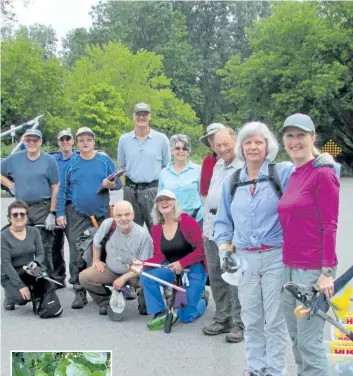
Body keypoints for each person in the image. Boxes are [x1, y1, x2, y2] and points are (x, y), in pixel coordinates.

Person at [214, 121, 336, 376]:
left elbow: (316, 173)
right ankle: (256, 369)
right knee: (251, 318)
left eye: (259, 141)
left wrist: (325, 157)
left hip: (275, 256)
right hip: (244, 259)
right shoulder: (232, 181)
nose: (253, 146)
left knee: (276, 320)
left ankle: (275, 370)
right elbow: (223, 223)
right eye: (247, 142)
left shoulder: (282, 172)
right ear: (241, 148)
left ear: (268, 146)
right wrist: (225, 250)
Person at [278, 114, 340, 376]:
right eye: (290, 136)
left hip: (313, 270)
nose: (295, 141)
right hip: (289, 267)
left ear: (312, 138)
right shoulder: (293, 173)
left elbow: (330, 224)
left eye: (301, 135)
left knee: (309, 343)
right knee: (294, 337)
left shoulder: (323, 173)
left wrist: (326, 272)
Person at [56, 127, 122, 309]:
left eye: (88, 139)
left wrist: (112, 183)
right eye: (81, 140)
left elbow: (118, 183)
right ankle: (79, 290)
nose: (85, 143)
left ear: (93, 141)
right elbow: (62, 191)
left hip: (102, 215)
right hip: (78, 215)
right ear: (77, 143)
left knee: (108, 250)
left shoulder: (104, 160)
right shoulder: (71, 164)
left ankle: (114, 286)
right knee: (77, 253)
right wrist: (60, 213)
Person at [132, 189, 209, 327]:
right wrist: (141, 264)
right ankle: (159, 311)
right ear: (156, 206)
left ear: (174, 203)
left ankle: (203, 299)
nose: (164, 202)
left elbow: (202, 250)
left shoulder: (187, 221)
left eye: (167, 199)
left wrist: (182, 262)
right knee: (146, 276)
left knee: (186, 317)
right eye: (160, 200)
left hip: (194, 269)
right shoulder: (156, 229)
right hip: (173, 269)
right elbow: (158, 257)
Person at [202, 128, 245, 343]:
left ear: (235, 140)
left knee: (234, 277)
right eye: (218, 145)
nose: (222, 149)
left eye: (226, 143)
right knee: (217, 276)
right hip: (211, 228)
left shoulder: (244, 166)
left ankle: (240, 322)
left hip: (231, 230)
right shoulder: (218, 165)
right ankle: (222, 317)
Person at [0, 129, 59, 279]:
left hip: (42, 208)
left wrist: (52, 213)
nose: (31, 143)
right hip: (21, 208)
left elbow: (55, 187)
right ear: (24, 141)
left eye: (35, 140)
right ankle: (18, 286)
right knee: (18, 248)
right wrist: (10, 184)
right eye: (28, 140)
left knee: (44, 250)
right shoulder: (14, 159)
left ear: (40, 142)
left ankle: (46, 289)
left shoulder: (49, 161)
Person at [79, 200, 153, 316]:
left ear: (133, 215)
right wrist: (96, 260)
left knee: (149, 281)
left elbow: (142, 265)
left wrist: (123, 278)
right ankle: (105, 302)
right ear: (113, 215)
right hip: (111, 270)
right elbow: (96, 242)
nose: (123, 218)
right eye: (119, 215)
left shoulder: (143, 236)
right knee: (84, 277)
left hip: (133, 273)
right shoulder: (108, 225)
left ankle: (143, 303)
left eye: (127, 214)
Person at [117, 103, 170, 233]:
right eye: (138, 114)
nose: (141, 117)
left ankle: (158, 254)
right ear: (133, 116)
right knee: (130, 232)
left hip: (152, 190)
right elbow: (122, 166)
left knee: (158, 231)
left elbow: (167, 167)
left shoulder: (161, 139)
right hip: (131, 191)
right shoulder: (124, 140)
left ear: (150, 116)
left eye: (145, 114)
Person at [1, 200, 47, 311]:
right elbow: (6, 264)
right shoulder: (3, 236)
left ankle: (35, 294)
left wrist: (35, 263)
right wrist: (21, 286)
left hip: (28, 269)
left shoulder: (34, 231)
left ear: (26, 216)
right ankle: (10, 294)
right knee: (22, 300)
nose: (19, 217)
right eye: (15, 214)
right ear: (9, 218)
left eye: (22, 214)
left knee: (43, 274)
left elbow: (40, 254)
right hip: (10, 274)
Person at [158, 134, 203, 227]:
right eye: (177, 148)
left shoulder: (198, 170)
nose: (181, 151)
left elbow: (204, 197)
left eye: (184, 148)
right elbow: (160, 198)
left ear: (189, 151)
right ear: (172, 151)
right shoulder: (164, 173)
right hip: (171, 221)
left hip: (195, 219)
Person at [51, 128, 77, 288]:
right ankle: (58, 277)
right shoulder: (52, 160)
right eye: (62, 139)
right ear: (58, 142)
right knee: (55, 244)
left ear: (72, 141)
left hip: (72, 206)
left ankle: (76, 279)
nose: (65, 142)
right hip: (55, 204)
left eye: (68, 139)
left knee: (74, 244)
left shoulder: (79, 158)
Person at [199, 123, 226, 201]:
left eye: (218, 137)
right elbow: (204, 192)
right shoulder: (207, 161)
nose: (215, 142)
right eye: (211, 139)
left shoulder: (239, 160)